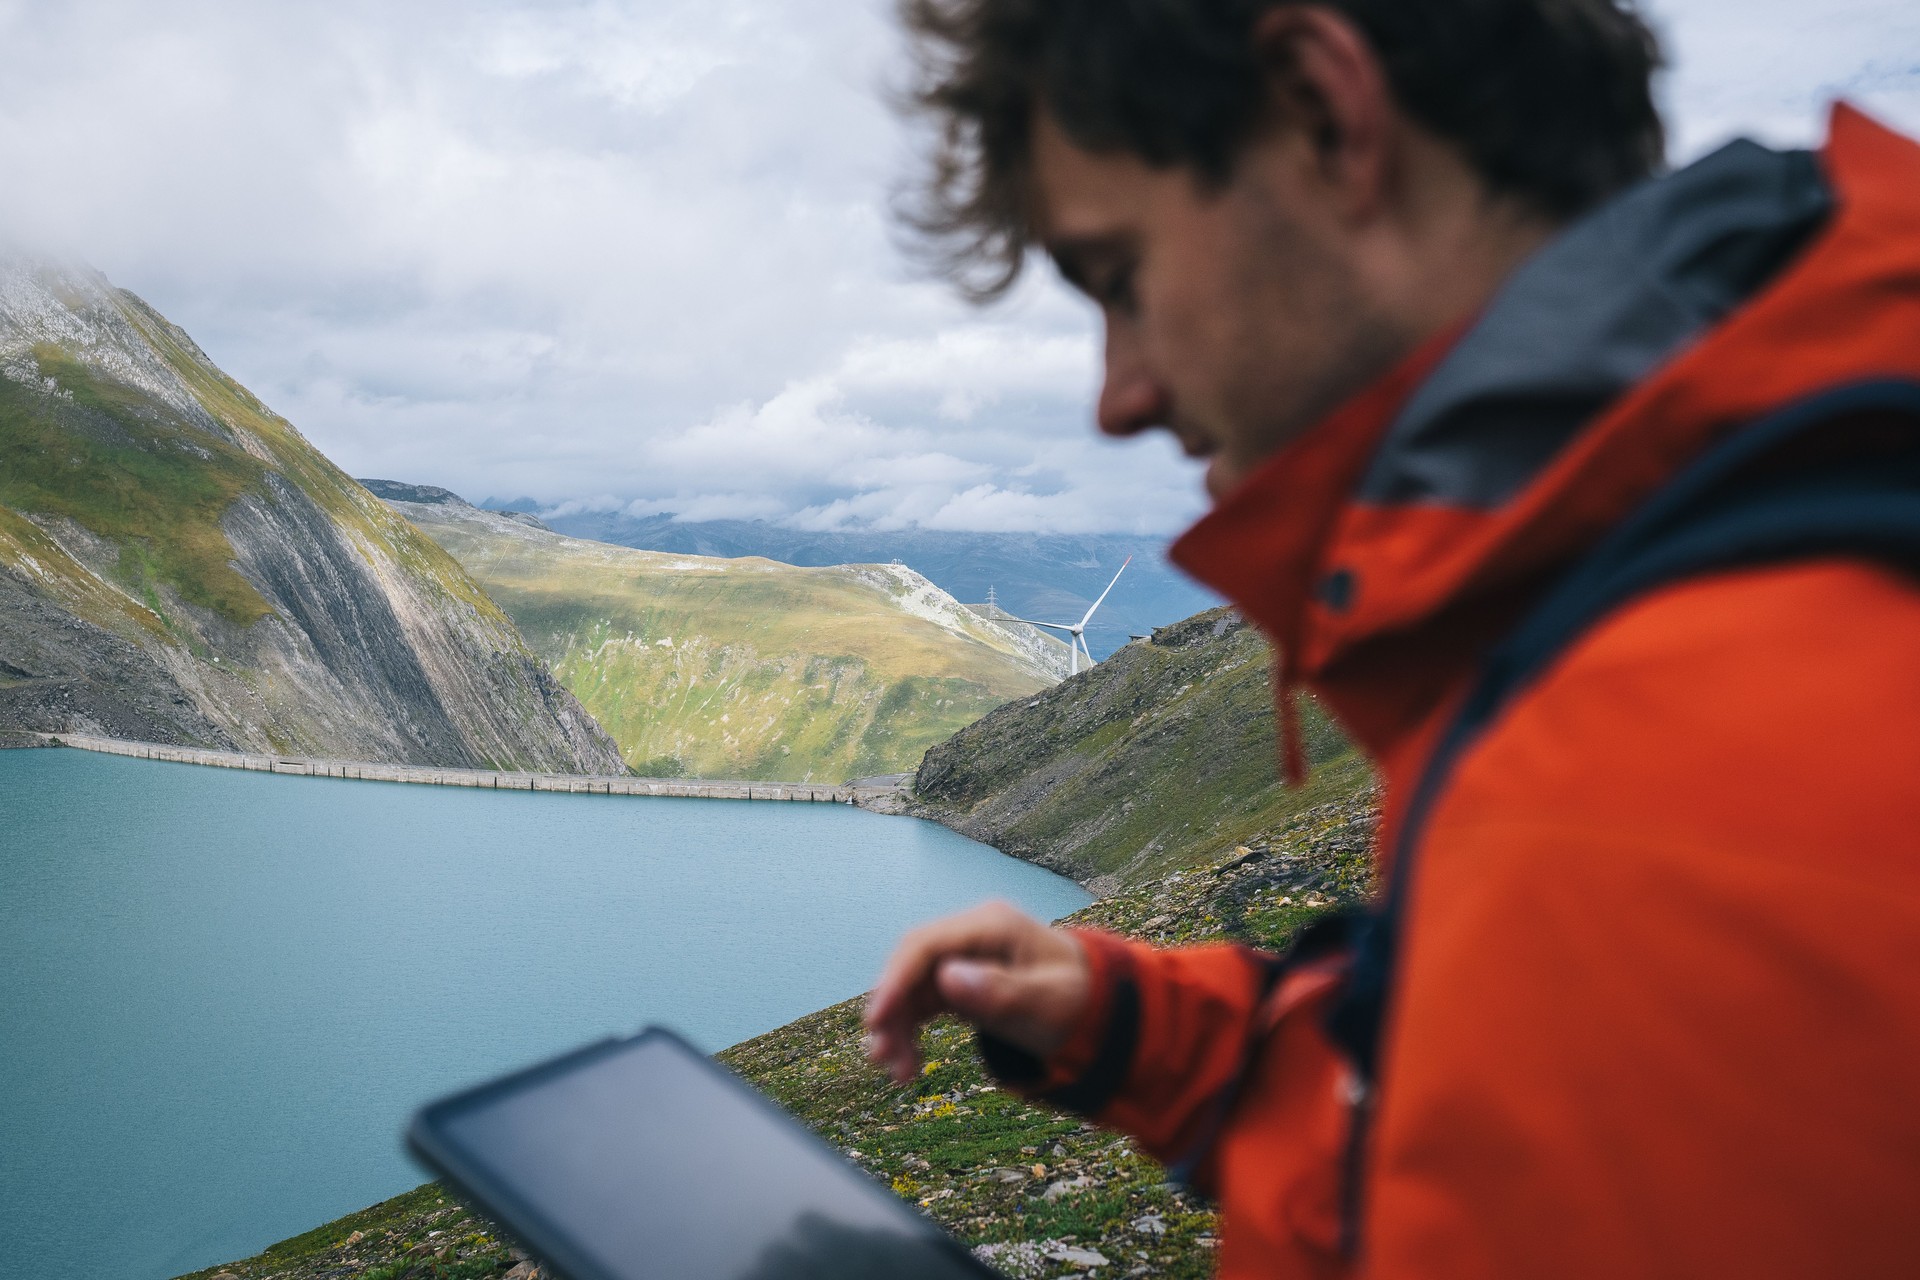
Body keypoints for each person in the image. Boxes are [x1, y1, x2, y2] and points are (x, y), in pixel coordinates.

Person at [862, 1, 1920, 1276]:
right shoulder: (1731, 532)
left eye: (1122, 278)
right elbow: (1495, 1133)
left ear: (1324, 110)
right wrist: (1145, 1029)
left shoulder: (1639, 793)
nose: (1117, 392)